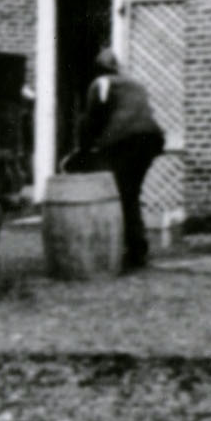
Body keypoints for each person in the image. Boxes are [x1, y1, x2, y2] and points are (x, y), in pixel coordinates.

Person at [72, 47, 168, 270]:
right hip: (151, 139)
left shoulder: (100, 84)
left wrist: (84, 149)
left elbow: (92, 119)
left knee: (122, 193)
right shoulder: (134, 84)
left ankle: (130, 251)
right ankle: (137, 248)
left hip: (125, 141)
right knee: (130, 193)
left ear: (97, 70)